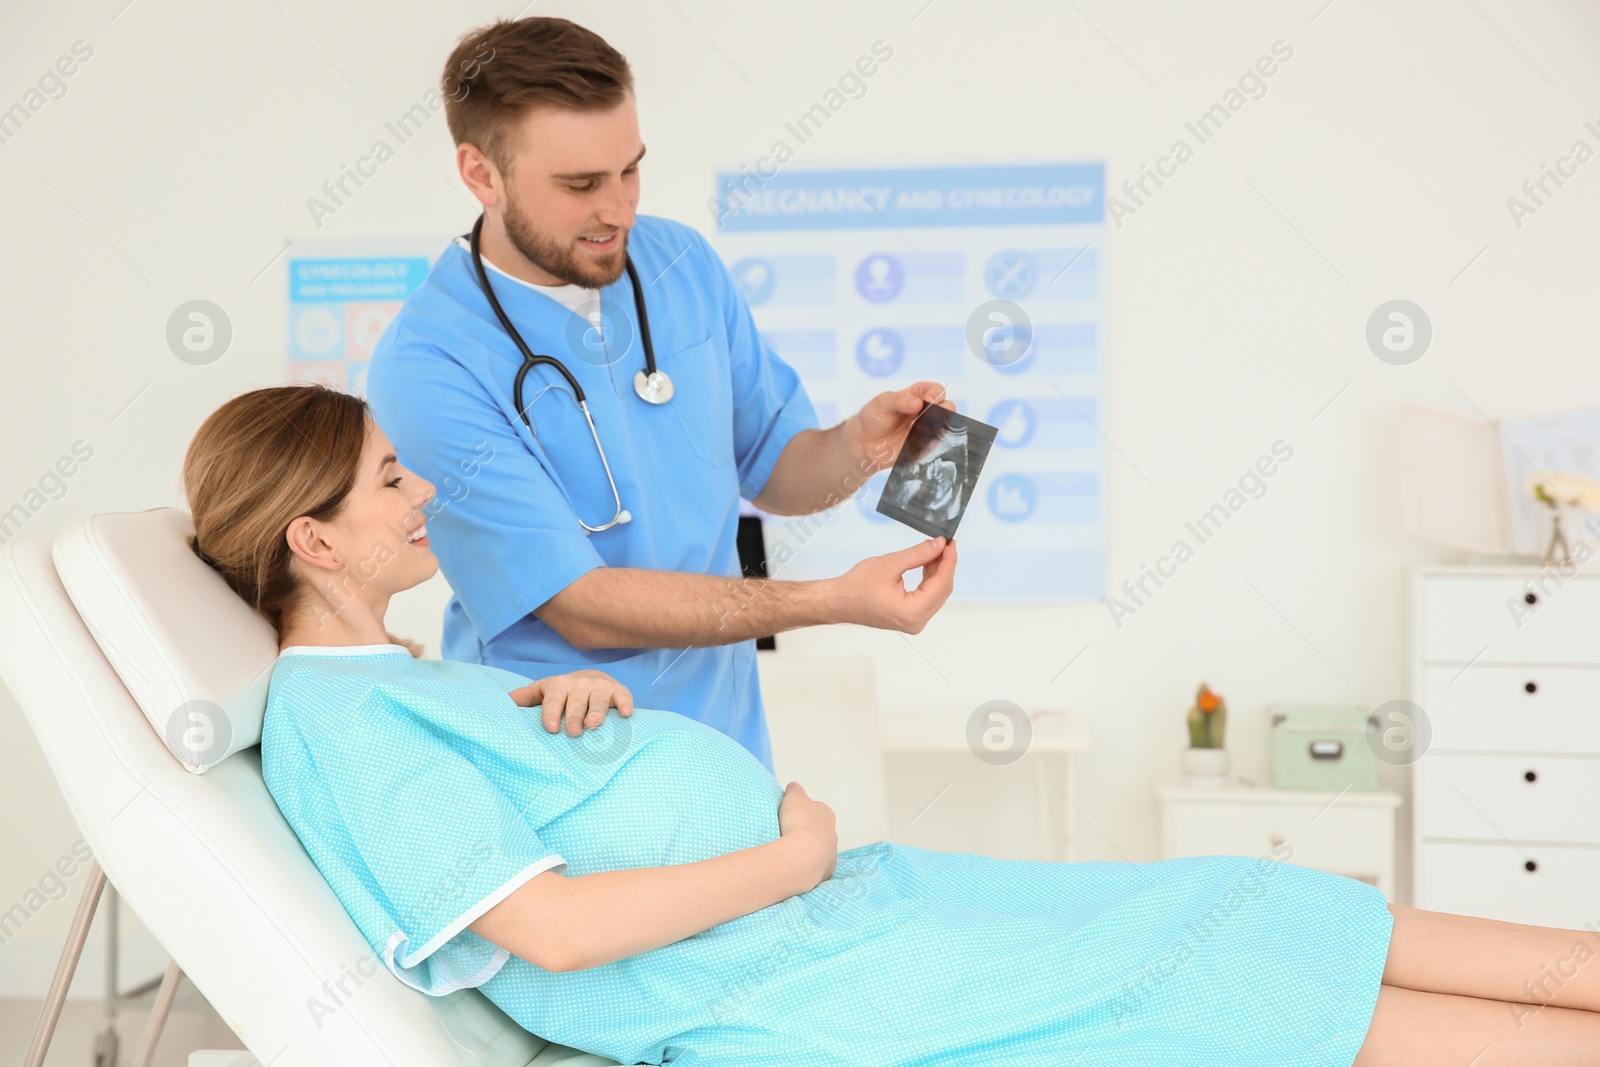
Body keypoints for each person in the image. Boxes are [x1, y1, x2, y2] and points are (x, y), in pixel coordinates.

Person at [186, 384, 1600, 1067]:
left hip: (841, 914)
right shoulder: (338, 723)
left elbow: (515, 796)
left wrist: (580, 701)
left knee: (1247, 896)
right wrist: (793, 860)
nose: (422, 486)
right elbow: (546, 932)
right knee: (1213, 982)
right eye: (388, 479)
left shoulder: (404, 674)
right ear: (313, 536)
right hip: (781, 979)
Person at [365, 16, 957, 772]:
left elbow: (777, 470)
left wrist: (856, 448)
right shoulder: (427, 362)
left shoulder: (681, 264)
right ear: (481, 174)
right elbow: (579, 603)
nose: (620, 210)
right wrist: (834, 599)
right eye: (581, 185)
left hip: (725, 751)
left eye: (630, 170)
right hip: (563, 767)